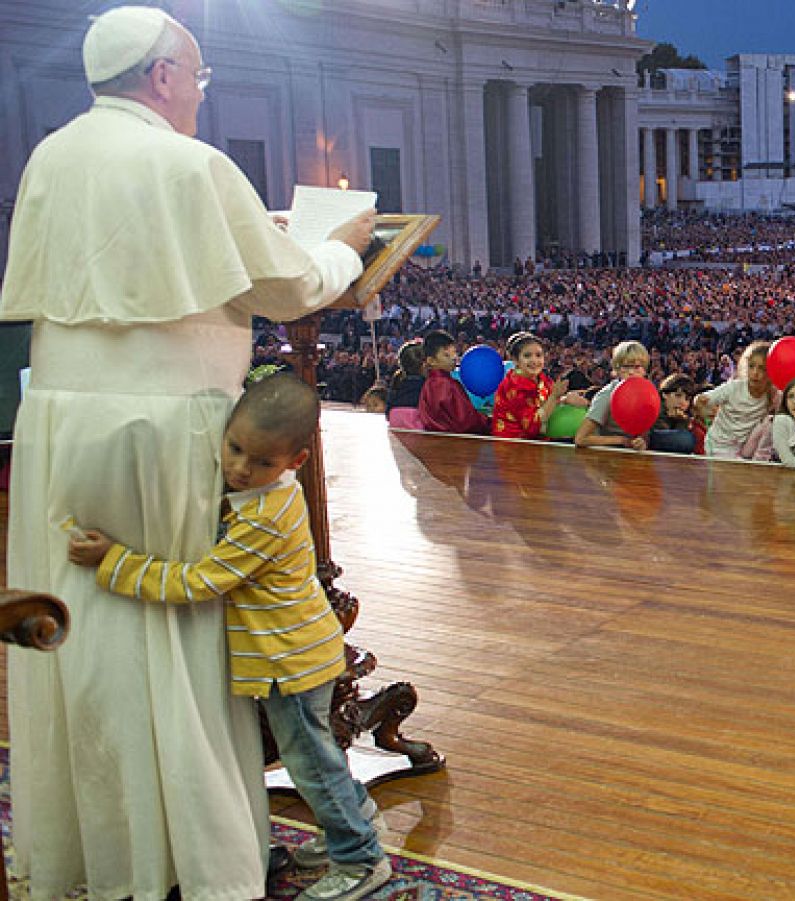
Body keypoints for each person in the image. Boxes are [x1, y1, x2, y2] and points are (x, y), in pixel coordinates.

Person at [0, 8, 374, 898]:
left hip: (59, 423)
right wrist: (340, 248)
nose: (200, 97)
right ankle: (196, 857)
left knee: (86, 636)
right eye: (198, 80)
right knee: (171, 633)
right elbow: (287, 285)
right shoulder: (191, 163)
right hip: (162, 429)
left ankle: (102, 852)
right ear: (163, 74)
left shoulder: (52, 154)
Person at [64, 376, 392, 900]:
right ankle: (357, 815)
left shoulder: (265, 517)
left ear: (296, 461)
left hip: (291, 661)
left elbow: (200, 582)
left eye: (260, 462)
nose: (240, 468)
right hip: (297, 650)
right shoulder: (265, 496)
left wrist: (114, 561)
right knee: (316, 753)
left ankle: (360, 857)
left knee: (308, 760)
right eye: (234, 448)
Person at [695, 341, 776, 458]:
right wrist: (703, 409)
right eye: (751, 366)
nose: (755, 373)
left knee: (770, 422)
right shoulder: (733, 388)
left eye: (762, 369)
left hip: (745, 447)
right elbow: (700, 400)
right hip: (719, 445)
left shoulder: (773, 395)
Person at [492, 332, 578, 440]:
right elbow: (532, 427)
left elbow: (549, 402)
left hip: (538, 442)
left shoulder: (542, 379)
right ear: (515, 359)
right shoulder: (512, 387)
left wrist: (566, 399)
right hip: (514, 446)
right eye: (527, 356)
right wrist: (555, 397)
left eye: (538, 355)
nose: (534, 361)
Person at [575, 340, 650, 450]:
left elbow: (644, 433)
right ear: (617, 370)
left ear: (644, 370)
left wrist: (641, 442)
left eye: (636, 367)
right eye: (626, 367)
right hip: (607, 455)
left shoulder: (647, 393)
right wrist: (621, 440)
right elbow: (581, 439)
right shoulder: (607, 394)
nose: (631, 372)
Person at [417, 329, 490, 434]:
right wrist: (489, 422)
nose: (454, 358)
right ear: (431, 361)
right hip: (454, 442)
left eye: (455, 353)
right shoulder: (445, 384)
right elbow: (465, 421)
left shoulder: (429, 383)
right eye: (446, 355)